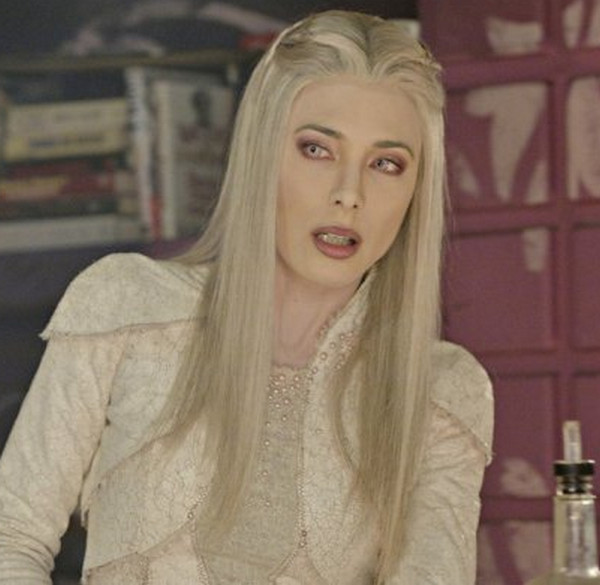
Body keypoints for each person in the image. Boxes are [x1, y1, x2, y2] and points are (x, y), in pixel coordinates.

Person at [0, 10, 493, 585]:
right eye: (317, 150)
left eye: (386, 164)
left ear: (415, 191)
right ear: (262, 153)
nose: (349, 194)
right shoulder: (126, 307)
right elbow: (11, 537)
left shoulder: (440, 391)